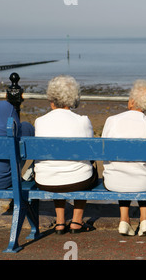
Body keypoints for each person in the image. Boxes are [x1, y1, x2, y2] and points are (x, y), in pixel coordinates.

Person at [34, 75, 98, 234]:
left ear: (52, 97)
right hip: (79, 181)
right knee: (86, 166)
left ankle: (60, 222)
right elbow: (91, 153)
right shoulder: (82, 120)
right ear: (73, 97)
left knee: (56, 164)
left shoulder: (40, 121)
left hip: (45, 180)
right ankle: (77, 220)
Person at [102, 79, 146, 236]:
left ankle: (124, 220)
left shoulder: (111, 121)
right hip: (144, 182)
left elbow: (105, 153)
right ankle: (145, 220)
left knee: (122, 166)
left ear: (133, 101)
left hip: (114, 181)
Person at [0, 100, 34, 189]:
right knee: (26, 127)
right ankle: (31, 171)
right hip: (3, 180)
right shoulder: (5, 107)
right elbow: (18, 130)